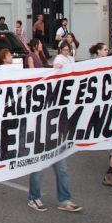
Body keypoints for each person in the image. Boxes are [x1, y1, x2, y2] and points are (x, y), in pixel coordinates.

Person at [27, 44, 82, 213]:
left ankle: (64, 199)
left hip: (58, 134)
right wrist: (51, 69)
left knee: (62, 169)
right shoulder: (41, 89)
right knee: (39, 168)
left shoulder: (63, 91)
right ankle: (34, 197)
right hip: (42, 134)